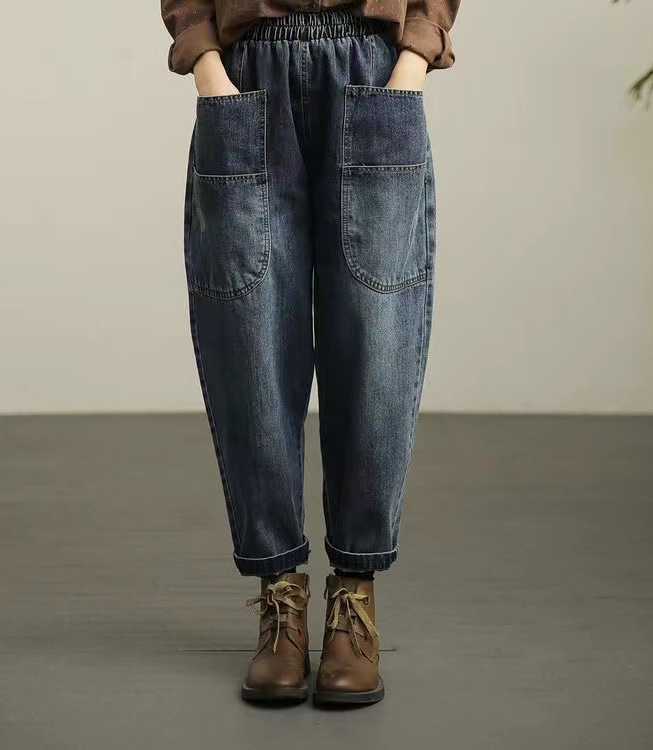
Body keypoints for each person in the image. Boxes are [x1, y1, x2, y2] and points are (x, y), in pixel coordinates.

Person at [160, 0, 460, 706]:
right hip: (247, 72)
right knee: (250, 342)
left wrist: (413, 59)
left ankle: (355, 594)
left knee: (377, 344)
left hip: (372, 66)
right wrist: (208, 65)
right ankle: (280, 598)